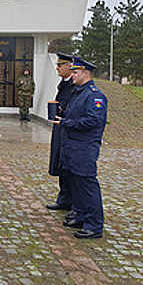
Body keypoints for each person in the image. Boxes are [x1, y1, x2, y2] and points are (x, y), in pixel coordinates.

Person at [52, 57, 107, 239]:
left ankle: (94, 225)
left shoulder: (94, 95)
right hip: (71, 146)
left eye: (75, 72)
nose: (72, 75)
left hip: (83, 148)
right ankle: (81, 215)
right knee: (76, 186)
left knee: (87, 186)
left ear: (86, 73)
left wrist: (67, 122)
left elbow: (93, 120)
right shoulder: (78, 92)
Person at [46, 53, 76, 214]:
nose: (57, 68)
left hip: (68, 127)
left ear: (69, 66)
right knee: (60, 163)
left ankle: (72, 202)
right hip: (60, 127)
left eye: (60, 65)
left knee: (68, 166)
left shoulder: (73, 84)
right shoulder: (64, 83)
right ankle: (64, 199)